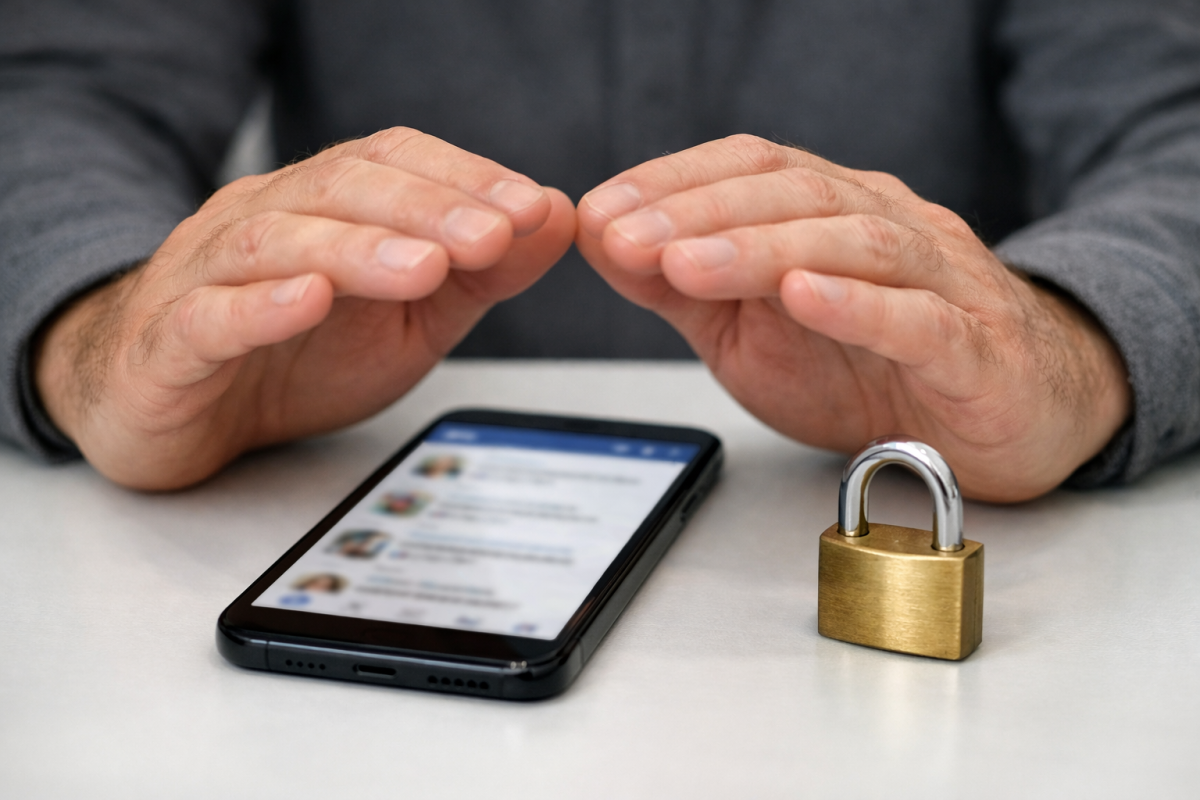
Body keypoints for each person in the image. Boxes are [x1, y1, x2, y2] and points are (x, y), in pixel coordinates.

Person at [1, 1, 1197, 502]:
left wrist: (1076, 341)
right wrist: (99, 327)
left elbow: (1177, 110)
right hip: (334, 473)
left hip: (923, 490)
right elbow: (55, 93)